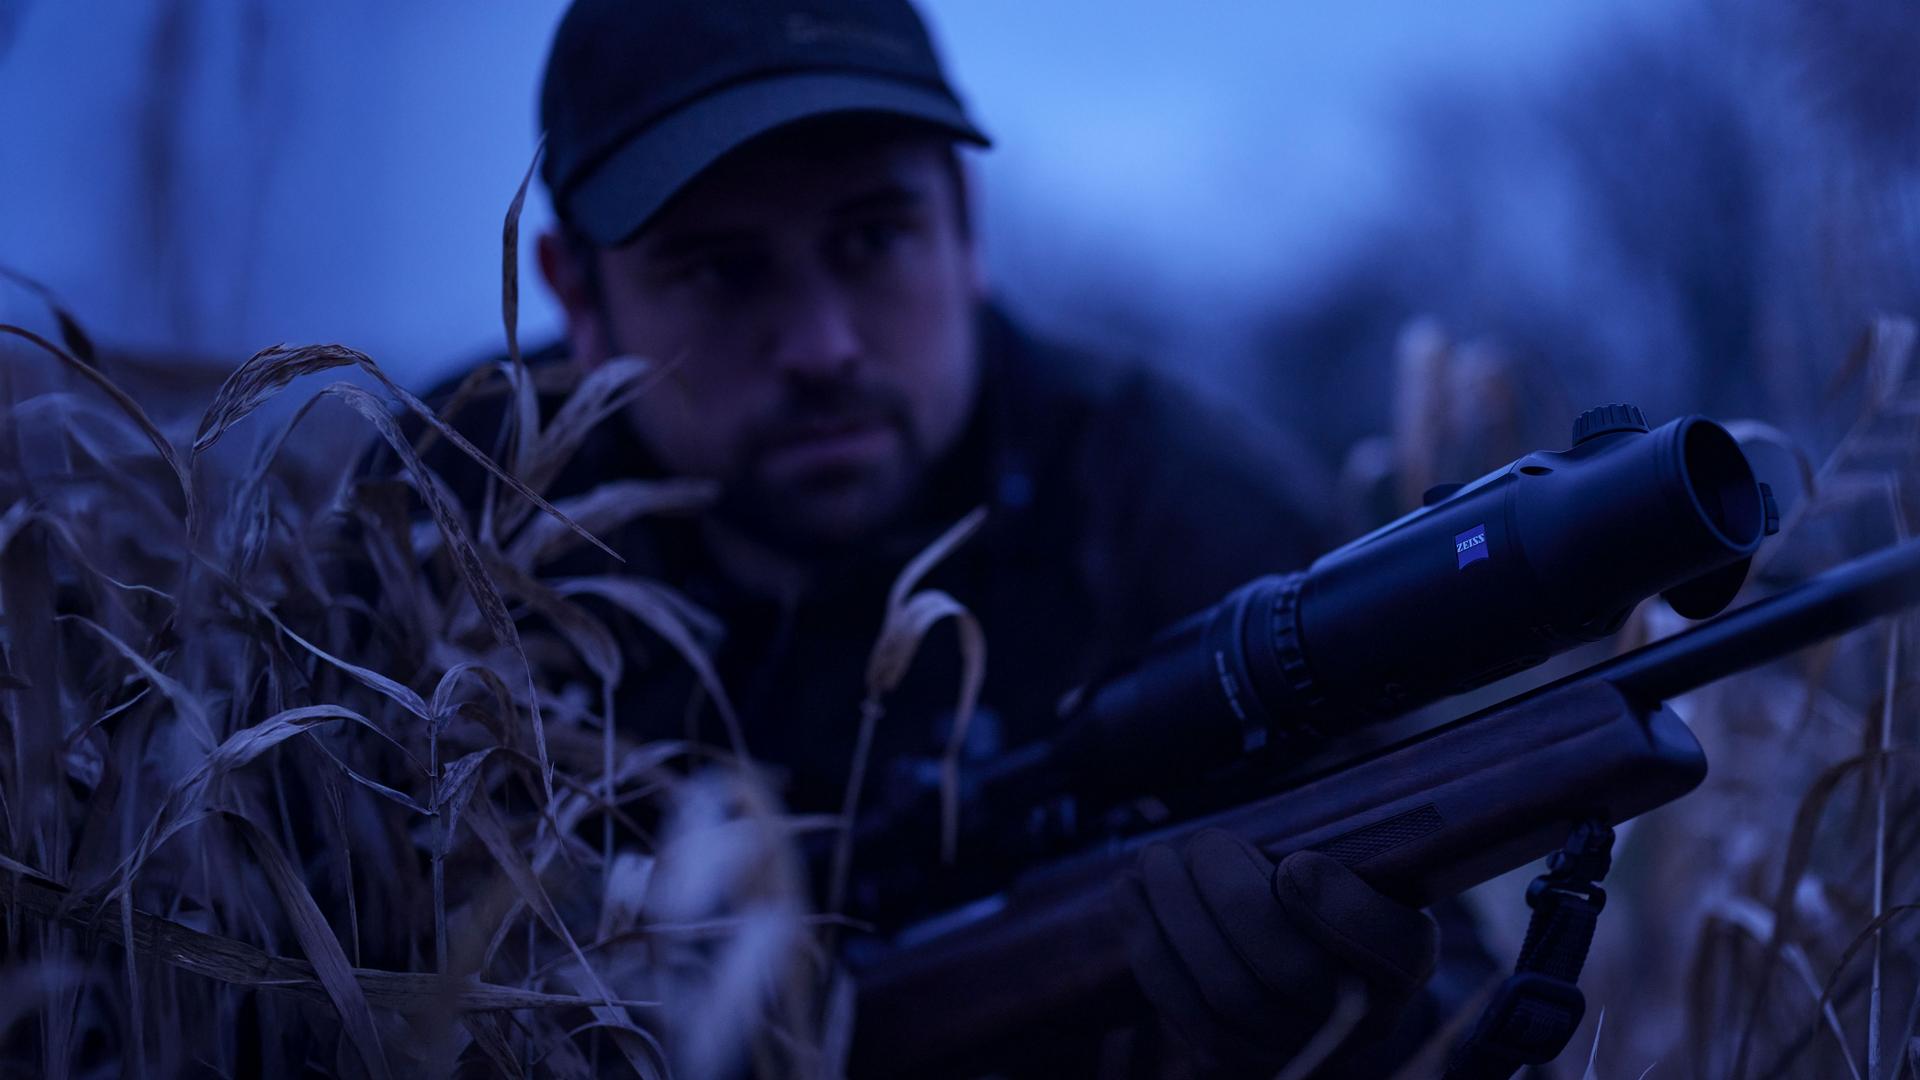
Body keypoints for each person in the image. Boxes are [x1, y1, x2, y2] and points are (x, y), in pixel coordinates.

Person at [416, 0, 1492, 1073]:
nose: (823, 347)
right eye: (719, 270)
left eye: (874, 240)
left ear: (966, 230)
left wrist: (1346, 1022)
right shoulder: (434, 528)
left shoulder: (1183, 509)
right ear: (576, 296)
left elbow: (1470, 1005)